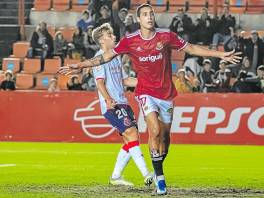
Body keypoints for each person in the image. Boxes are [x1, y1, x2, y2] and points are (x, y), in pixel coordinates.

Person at [59, 4, 241, 195]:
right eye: (145, 14)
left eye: (151, 13)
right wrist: (79, 65)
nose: (149, 16)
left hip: (166, 93)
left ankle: (149, 169)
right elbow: (102, 58)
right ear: (139, 19)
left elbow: (192, 48)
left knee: (165, 138)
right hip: (144, 92)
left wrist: (220, 54)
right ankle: (158, 178)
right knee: (152, 130)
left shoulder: (166, 36)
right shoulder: (129, 41)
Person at [91, 23, 153, 186]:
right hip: (113, 105)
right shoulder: (99, 59)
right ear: (101, 40)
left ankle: (116, 177)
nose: (113, 37)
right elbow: (100, 83)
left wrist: (145, 83)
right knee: (131, 133)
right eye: (109, 35)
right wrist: (108, 99)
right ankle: (147, 174)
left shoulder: (115, 57)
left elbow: (125, 80)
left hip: (123, 103)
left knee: (130, 139)